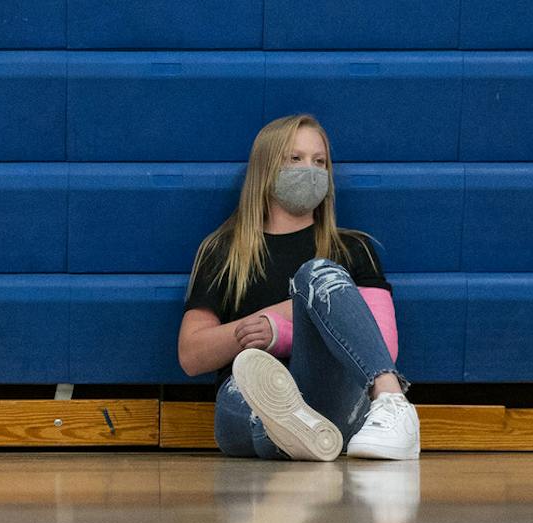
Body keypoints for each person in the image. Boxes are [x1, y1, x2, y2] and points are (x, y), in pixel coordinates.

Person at [178, 113, 419, 462]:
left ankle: (392, 402)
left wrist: (280, 328)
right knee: (244, 395)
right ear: (266, 168)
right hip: (244, 402)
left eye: (319, 162)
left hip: (331, 397)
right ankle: (293, 432)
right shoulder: (225, 252)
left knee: (318, 272)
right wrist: (255, 328)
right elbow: (191, 355)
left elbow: (382, 345)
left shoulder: (353, 250)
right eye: (295, 159)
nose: (310, 169)